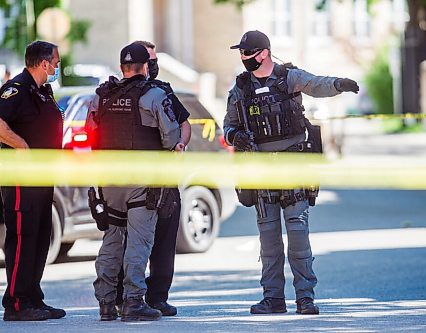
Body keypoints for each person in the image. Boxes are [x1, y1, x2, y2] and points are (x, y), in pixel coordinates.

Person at [223, 31, 359, 315]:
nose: (242, 58)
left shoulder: (289, 77)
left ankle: (305, 298)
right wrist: (236, 137)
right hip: (260, 169)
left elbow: (316, 84)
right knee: (269, 239)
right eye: (241, 53)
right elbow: (228, 125)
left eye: (247, 53)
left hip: (294, 165)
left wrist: (339, 84)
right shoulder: (240, 88)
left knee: (298, 233)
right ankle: (273, 299)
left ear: (263, 54)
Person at [86, 43, 183, 322]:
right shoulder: (154, 95)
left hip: (109, 180)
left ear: (122, 68)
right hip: (142, 182)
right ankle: (133, 301)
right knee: (139, 242)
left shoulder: (102, 96)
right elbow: (171, 137)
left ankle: (106, 303)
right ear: (144, 67)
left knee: (112, 240)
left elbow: (91, 133)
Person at [114, 40, 191, 317]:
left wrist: (181, 145)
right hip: (132, 181)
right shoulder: (115, 93)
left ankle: (157, 296)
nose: (155, 64)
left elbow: (183, 124)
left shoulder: (164, 91)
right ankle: (125, 297)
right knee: (130, 239)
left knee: (164, 239)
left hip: (163, 177)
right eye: (151, 59)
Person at [0, 41, 65, 321]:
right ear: (43, 63)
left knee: (40, 238)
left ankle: (32, 298)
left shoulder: (42, 91)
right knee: (22, 236)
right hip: (21, 177)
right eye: (56, 62)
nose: (57, 67)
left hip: (42, 176)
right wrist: (23, 147)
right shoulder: (16, 89)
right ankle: (15, 303)